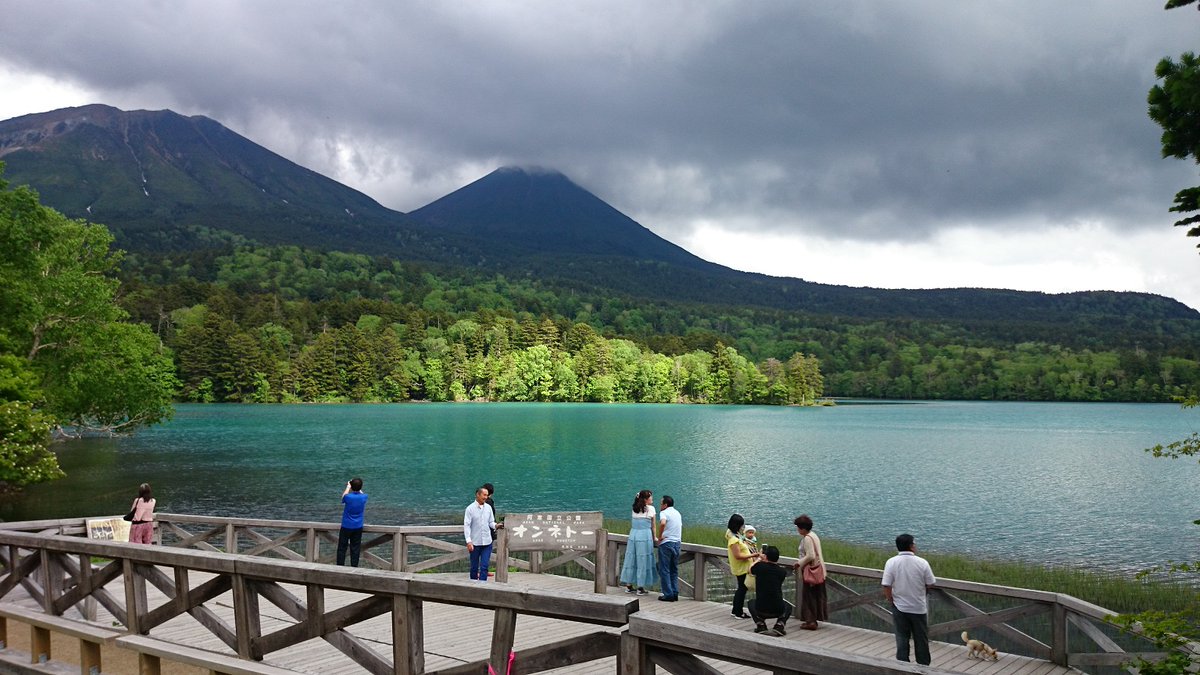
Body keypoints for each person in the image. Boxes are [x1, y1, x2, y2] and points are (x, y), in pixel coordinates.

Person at [882, 533, 937, 666]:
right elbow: (931, 583)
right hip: (918, 607)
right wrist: (923, 590)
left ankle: (902, 666)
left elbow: (886, 585)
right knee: (921, 640)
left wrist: (890, 599)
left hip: (899, 607)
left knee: (902, 638)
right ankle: (923, 667)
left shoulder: (891, 562)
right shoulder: (922, 562)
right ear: (911, 546)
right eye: (914, 544)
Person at [748, 545, 793, 636]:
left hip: (761, 609)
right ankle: (779, 625)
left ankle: (760, 625)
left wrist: (759, 559)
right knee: (788, 606)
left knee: (751, 603)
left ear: (766, 556)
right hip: (778, 609)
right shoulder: (782, 572)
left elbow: (750, 570)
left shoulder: (760, 567)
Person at [619, 489, 657, 595]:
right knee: (642, 560)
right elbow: (653, 526)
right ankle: (640, 587)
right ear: (645, 499)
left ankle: (628, 586)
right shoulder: (651, 509)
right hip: (644, 536)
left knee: (631, 559)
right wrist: (655, 537)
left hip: (633, 535)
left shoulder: (634, 509)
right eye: (650, 497)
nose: (652, 498)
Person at [793, 514, 828, 630]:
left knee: (809, 596)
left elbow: (811, 555)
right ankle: (813, 619)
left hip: (811, 571)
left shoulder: (807, 538)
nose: (797, 530)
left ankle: (810, 621)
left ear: (802, 528)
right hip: (819, 570)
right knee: (816, 595)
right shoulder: (814, 535)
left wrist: (799, 563)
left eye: (798, 527)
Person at [725, 513, 755, 619]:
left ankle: (735, 610)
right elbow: (738, 556)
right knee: (742, 589)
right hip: (741, 567)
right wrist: (754, 555)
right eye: (741, 525)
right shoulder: (734, 540)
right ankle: (738, 612)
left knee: (741, 589)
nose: (743, 527)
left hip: (743, 566)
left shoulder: (733, 534)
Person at [464, 486, 497, 581]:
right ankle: (473, 585)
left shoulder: (488, 508)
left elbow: (491, 522)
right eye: (484, 495)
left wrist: (496, 525)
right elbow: (467, 525)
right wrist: (468, 541)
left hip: (487, 542)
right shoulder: (470, 509)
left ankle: (483, 586)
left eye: (487, 495)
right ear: (477, 495)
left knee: (484, 566)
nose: (486, 497)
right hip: (475, 543)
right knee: (474, 567)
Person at [656, 495, 682, 602]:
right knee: (674, 569)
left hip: (666, 543)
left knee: (664, 569)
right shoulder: (677, 513)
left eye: (661, 504)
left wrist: (660, 536)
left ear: (665, 505)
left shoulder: (664, 513)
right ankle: (675, 593)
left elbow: (663, 523)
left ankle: (668, 594)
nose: (660, 506)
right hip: (677, 543)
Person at [337, 478, 368, 567]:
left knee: (342, 547)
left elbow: (343, 497)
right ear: (361, 487)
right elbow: (361, 493)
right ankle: (354, 567)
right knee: (355, 548)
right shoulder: (364, 497)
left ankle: (340, 566)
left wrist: (348, 487)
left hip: (346, 525)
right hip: (358, 526)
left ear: (351, 487)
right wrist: (357, 487)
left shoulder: (348, 497)